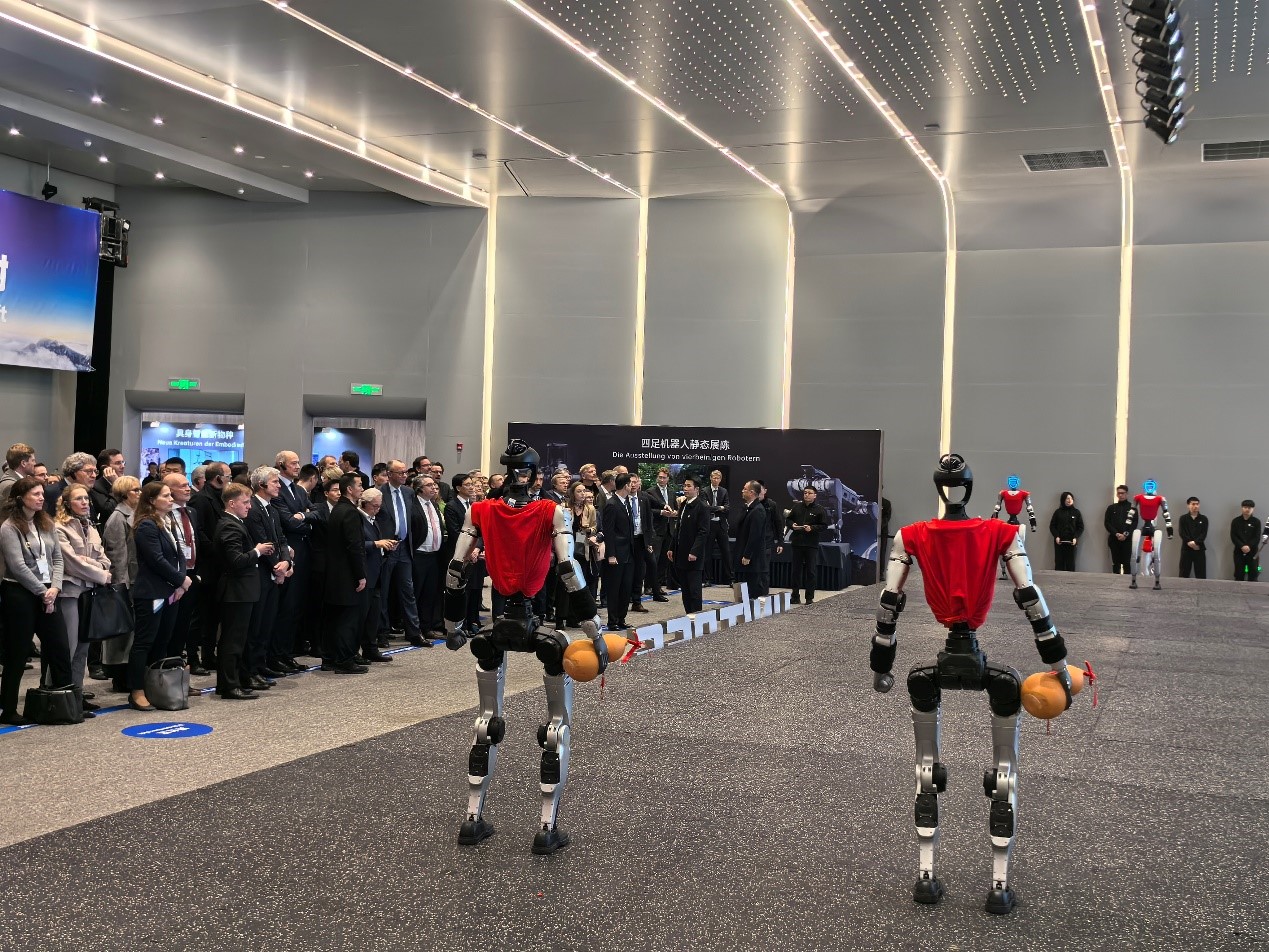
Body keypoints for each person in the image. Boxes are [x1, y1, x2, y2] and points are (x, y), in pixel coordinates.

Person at [870, 453, 1077, 915]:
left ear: (939, 488)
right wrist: (1059, 664)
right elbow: (1031, 599)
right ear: (969, 487)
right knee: (1005, 773)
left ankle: (926, 877)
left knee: (926, 768)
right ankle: (998, 886)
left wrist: (881, 664)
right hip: (984, 663)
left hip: (939, 661)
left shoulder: (912, 535)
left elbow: (889, 603)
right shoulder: (1000, 533)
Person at [0, 477, 72, 725]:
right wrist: (43, 592)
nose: (42, 498)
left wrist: (55, 588)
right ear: (21, 498)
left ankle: (67, 703)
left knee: (59, 647)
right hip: (19, 593)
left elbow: (57, 559)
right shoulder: (9, 527)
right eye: (36, 494)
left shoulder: (46, 522)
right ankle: (8, 709)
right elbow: (17, 566)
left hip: (50, 591)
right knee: (18, 653)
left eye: (42, 493)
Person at [126, 481, 191, 712]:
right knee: (145, 642)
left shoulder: (167, 522)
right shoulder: (146, 525)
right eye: (165, 496)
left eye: (170, 495)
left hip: (170, 590)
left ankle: (156, 686)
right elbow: (156, 560)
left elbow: (179, 554)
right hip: (151, 592)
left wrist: (181, 581)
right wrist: (180, 580)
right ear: (152, 501)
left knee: (163, 640)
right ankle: (136, 690)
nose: (171, 499)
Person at [54, 483, 112, 716]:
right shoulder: (59, 528)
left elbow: (105, 560)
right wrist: (100, 573)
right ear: (67, 503)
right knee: (67, 648)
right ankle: (59, 697)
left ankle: (76, 696)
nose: (85, 502)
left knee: (83, 649)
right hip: (69, 592)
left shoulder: (91, 526)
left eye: (86, 498)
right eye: (79, 499)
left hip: (89, 592)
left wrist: (92, 564)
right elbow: (71, 563)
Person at [214, 483, 273, 699]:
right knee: (232, 641)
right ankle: (229, 686)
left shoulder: (236, 523)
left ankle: (235, 680)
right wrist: (257, 551)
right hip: (236, 591)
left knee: (239, 640)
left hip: (242, 590)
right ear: (232, 503)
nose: (249, 506)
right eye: (245, 502)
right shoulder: (229, 525)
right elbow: (236, 561)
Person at [323, 473, 369, 674]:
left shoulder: (337, 509)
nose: (362, 488)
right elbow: (354, 546)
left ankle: (330, 658)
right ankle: (344, 660)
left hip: (335, 572)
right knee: (347, 619)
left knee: (334, 618)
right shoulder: (350, 512)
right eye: (359, 485)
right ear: (349, 489)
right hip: (347, 574)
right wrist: (360, 574)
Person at [99, 476, 141, 691]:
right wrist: (120, 584)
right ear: (124, 494)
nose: (139, 493)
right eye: (135, 490)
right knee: (121, 633)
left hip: (136, 579)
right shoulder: (118, 517)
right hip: (124, 581)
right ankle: (119, 676)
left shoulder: (135, 514)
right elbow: (116, 555)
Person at [357, 488, 396, 663]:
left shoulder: (373, 520)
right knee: (362, 616)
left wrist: (386, 546)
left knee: (374, 615)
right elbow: (356, 544)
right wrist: (376, 544)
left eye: (379, 506)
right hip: (364, 573)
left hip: (377, 572)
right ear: (364, 503)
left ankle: (371, 648)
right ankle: (355, 651)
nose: (377, 510)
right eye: (375, 506)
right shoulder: (358, 519)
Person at [410, 474, 447, 639]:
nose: (434, 488)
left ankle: (426, 627)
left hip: (434, 556)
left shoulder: (434, 504)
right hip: (419, 555)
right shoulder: (412, 505)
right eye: (429, 485)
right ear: (419, 489)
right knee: (416, 593)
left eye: (434, 485)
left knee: (430, 593)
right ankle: (414, 628)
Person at [668, 475, 709, 613]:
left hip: (693, 556)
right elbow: (678, 528)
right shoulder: (684, 504)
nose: (685, 488)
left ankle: (697, 617)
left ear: (697, 489)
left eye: (688, 486)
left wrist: (694, 551)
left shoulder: (702, 507)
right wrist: (672, 547)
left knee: (694, 590)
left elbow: (703, 532)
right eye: (684, 486)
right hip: (681, 553)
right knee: (685, 589)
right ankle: (688, 616)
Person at [601, 472, 636, 631]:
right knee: (614, 588)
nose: (633, 486)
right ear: (626, 485)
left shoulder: (626, 502)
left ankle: (621, 618)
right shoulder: (612, 504)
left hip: (629, 553)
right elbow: (608, 532)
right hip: (616, 553)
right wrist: (611, 554)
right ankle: (612, 620)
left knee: (626, 588)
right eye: (631, 483)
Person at [787, 485, 828, 604]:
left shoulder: (819, 509)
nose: (806, 495)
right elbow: (788, 519)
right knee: (795, 571)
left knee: (811, 571)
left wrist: (812, 528)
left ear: (815, 495)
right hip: (797, 543)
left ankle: (809, 598)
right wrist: (792, 525)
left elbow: (824, 526)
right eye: (805, 493)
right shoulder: (797, 507)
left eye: (809, 493)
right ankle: (795, 596)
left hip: (811, 544)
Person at [734, 480, 772, 597]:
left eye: (745, 489)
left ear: (751, 492)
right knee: (745, 588)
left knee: (754, 589)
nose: (742, 491)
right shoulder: (747, 508)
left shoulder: (758, 510)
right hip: (745, 555)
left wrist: (747, 555)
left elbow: (755, 536)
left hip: (754, 559)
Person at [702, 470, 733, 586]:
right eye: (714, 478)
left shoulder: (724, 491)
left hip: (721, 524)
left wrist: (714, 508)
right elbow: (705, 508)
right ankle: (708, 579)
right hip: (709, 524)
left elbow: (727, 507)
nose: (716, 480)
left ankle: (730, 579)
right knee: (707, 552)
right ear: (710, 478)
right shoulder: (704, 491)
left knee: (726, 552)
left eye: (718, 478)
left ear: (720, 480)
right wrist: (720, 508)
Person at [1103, 485, 1136, 575]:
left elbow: (1134, 523)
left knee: (1127, 563)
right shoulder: (1111, 508)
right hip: (1114, 539)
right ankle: (1115, 582)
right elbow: (1107, 523)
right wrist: (1116, 533)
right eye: (1119, 493)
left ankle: (1126, 582)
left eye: (1122, 493)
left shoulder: (1132, 508)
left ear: (1127, 494)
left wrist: (1125, 534)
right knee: (1116, 563)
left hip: (1127, 540)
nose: (1120, 495)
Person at [1049, 492, 1083, 572]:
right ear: (1063, 500)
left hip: (1071, 543)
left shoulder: (1076, 512)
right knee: (1059, 564)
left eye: (1071, 498)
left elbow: (1080, 527)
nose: (1069, 500)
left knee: (1070, 564)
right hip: (1059, 543)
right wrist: (1056, 536)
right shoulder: (1058, 512)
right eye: (1067, 498)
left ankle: (1070, 580)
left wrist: (1075, 537)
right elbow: (1052, 526)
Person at [1177, 496, 1209, 579]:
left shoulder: (1204, 519)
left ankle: (1201, 587)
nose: (1195, 506)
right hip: (1186, 548)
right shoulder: (1183, 518)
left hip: (1199, 548)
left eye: (1197, 504)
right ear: (1188, 505)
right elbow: (1182, 532)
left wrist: (1196, 543)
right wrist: (1190, 542)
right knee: (1184, 572)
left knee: (1201, 573)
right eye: (1193, 504)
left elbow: (1203, 534)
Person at [1231, 500, 1261, 582]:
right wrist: (1242, 546)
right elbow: (1233, 536)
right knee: (1239, 573)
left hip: (1252, 552)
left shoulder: (1256, 522)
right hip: (1239, 551)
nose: (1247, 509)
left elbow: (1257, 537)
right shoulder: (1235, 521)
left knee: (1253, 573)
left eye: (1249, 508)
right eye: (1245, 507)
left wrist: (1249, 546)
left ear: (1253, 509)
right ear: (1242, 508)